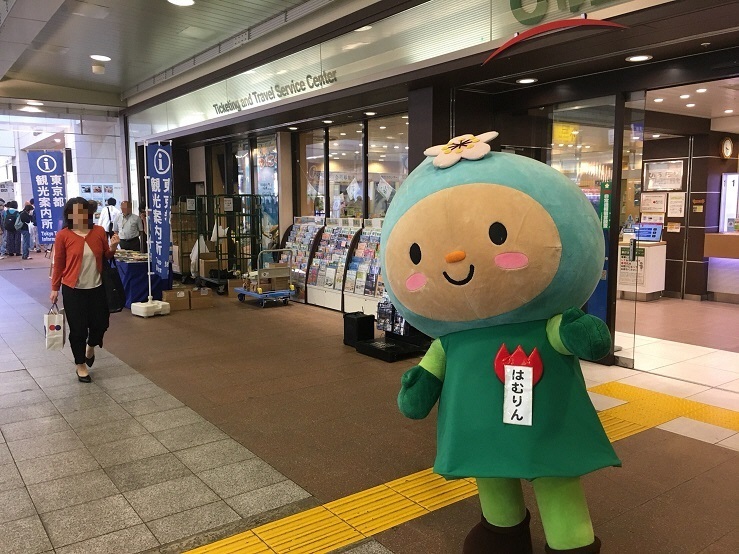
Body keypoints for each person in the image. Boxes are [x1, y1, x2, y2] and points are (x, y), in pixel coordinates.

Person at [50, 197, 119, 383]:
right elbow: (59, 264)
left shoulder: (98, 231)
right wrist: (55, 288)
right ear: (70, 215)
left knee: (101, 323)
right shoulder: (64, 235)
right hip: (73, 289)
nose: (80, 215)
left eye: (83, 211)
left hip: (97, 287)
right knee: (78, 329)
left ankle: (91, 345)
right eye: (76, 211)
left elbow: (106, 255)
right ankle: (80, 364)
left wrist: (112, 246)